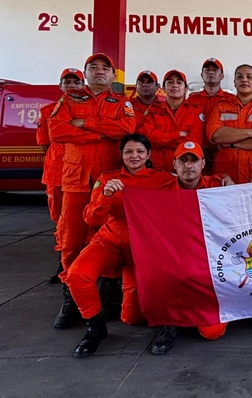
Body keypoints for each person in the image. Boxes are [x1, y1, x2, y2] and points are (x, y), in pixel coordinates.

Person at [49, 53, 137, 329]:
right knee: (71, 240)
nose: (99, 72)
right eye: (93, 68)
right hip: (75, 180)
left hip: (110, 180)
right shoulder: (69, 99)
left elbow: (126, 128)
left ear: (113, 76)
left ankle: (108, 295)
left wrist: (84, 123)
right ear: (86, 73)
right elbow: (56, 131)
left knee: (110, 237)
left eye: (105, 69)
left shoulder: (122, 102)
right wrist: (100, 133)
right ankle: (71, 300)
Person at [65, 134, 167, 358]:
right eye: (129, 152)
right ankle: (95, 326)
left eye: (140, 151)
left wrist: (222, 181)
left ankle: (130, 294)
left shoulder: (162, 179)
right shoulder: (107, 178)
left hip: (141, 246)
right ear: (121, 155)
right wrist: (105, 195)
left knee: (132, 318)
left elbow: (191, 193)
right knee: (77, 274)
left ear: (148, 155)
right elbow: (91, 218)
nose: (134, 156)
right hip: (110, 239)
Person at [150, 140, 235, 355]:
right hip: (176, 260)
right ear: (174, 164)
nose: (189, 166)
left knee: (212, 332)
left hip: (211, 261)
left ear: (203, 163)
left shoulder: (219, 186)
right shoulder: (161, 194)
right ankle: (170, 321)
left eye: (194, 160)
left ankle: (209, 307)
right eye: (183, 160)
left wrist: (236, 191)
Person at [37, 67, 85, 279]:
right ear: (60, 86)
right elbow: (44, 144)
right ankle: (64, 263)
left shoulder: (88, 110)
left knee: (81, 219)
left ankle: (80, 263)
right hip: (56, 175)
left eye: (76, 82)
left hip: (79, 173)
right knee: (60, 220)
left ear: (83, 86)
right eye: (67, 82)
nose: (71, 86)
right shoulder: (47, 111)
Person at [207, 64, 252, 183]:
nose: (244, 79)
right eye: (240, 77)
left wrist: (230, 143)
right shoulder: (221, 106)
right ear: (234, 82)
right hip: (226, 175)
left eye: (249, 77)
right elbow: (214, 135)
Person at [138, 69, 205, 170]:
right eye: (170, 82)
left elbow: (194, 143)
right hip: (155, 168)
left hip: (185, 170)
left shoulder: (196, 112)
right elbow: (146, 139)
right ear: (163, 88)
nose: (174, 85)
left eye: (179, 82)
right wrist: (176, 134)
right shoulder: (153, 110)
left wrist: (160, 140)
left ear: (186, 88)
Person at [185, 58, 233, 173]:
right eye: (207, 70)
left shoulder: (231, 100)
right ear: (202, 75)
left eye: (215, 70)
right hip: (196, 154)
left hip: (223, 154)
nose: (211, 72)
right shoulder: (192, 99)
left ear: (222, 76)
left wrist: (216, 146)